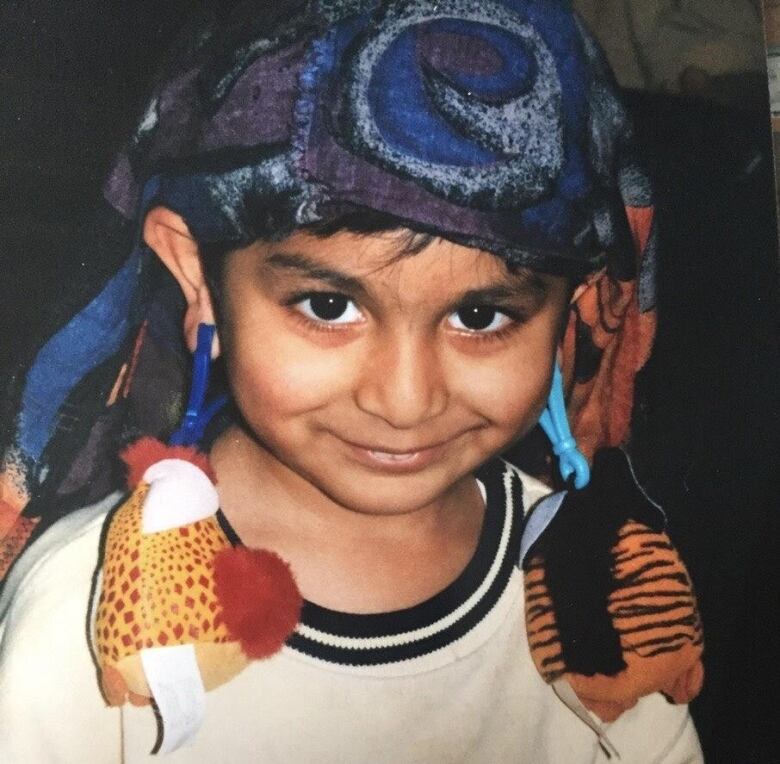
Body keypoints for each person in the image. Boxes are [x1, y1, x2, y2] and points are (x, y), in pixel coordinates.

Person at [0, 1, 704, 761]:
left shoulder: (593, 598)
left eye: (480, 316)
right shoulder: (93, 609)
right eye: (329, 306)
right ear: (196, 275)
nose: (405, 401)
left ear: (576, 307)